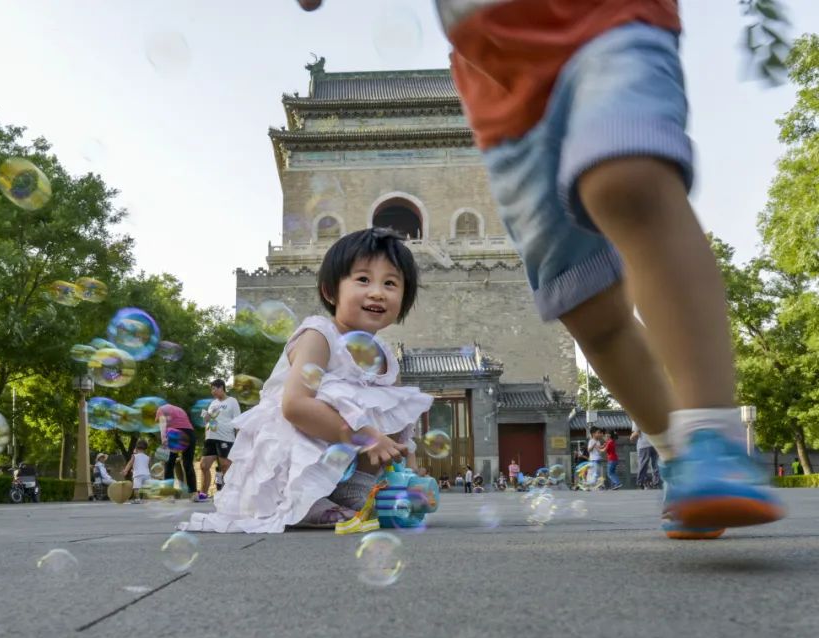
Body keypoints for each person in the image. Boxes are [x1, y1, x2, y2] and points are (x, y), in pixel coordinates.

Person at [298, 1, 788, 534]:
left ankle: (712, 434)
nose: (379, 289)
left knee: (628, 182)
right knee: (585, 302)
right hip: (501, 95)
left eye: (390, 279)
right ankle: (680, 456)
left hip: (608, 20)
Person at [180, 228, 432, 533]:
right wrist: (366, 436)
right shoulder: (319, 335)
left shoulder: (386, 358)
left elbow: (396, 427)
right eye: (363, 279)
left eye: (390, 283)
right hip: (291, 442)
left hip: (342, 451)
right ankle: (302, 500)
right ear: (330, 291)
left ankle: (354, 489)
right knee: (332, 396)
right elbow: (295, 407)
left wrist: (411, 475)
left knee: (397, 403)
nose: (377, 292)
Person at [200, 379, 241, 497]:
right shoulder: (213, 403)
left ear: (221, 388)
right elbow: (209, 420)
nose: (212, 392)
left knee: (225, 466)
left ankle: (229, 494)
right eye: (211, 389)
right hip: (210, 437)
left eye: (214, 389)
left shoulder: (232, 401)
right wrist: (206, 419)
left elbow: (238, 421)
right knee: (204, 465)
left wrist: (238, 440)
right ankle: (203, 494)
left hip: (226, 438)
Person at [156, 402, 199, 498]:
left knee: (169, 463)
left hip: (175, 434)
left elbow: (163, 422)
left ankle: (169, 495)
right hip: (189, 433)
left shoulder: (161, 409)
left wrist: (163, 438)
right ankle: (194, 493)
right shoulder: (179, 409)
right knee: (188, 464)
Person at [631, 423, 662, 490]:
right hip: (655, 443)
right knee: (656, 464)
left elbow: (636, 432)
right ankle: (656, 483)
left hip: (644, 444)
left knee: (643, 464)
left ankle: (640, 483)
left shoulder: (636, 416)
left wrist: (631, 437)